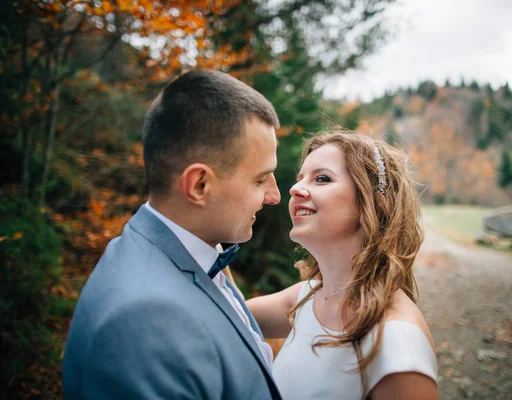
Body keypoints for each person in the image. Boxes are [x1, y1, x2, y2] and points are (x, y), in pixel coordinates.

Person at [62, 69, 283, 399]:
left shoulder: (174, 251)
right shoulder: (148, 321)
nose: (275, 196)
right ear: (199, 185)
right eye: (260, 179)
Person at [246, 132, 439, 399]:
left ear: (370, 203)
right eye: (300, 179)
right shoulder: (306, 299)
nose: (294, 189)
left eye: (321, 178)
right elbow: (225, 313)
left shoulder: (398, 344)